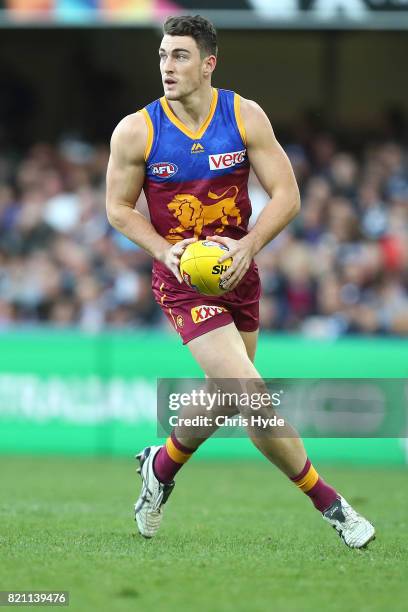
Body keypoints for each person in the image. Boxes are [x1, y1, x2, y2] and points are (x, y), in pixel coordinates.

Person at [106, 15, 375, 549]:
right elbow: (117, 209)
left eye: (180, 55)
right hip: (183, 280)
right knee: (251, 394)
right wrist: (165, 251)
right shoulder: (137, 129)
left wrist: (248, 246)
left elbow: (288, 195)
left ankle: (159, 466)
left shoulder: (244, 115)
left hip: (238, 273)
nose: (167, 66)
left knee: (229, 396)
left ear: (209, 63)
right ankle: (333, 505)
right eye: (163, 55)